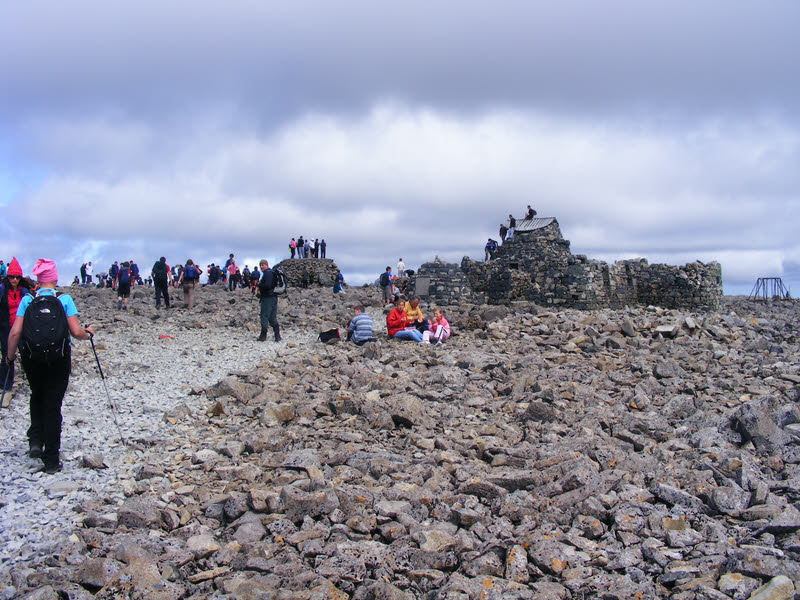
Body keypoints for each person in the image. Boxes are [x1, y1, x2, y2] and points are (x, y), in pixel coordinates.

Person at [5, 259, 95, 473]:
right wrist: (88, 332)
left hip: (32, 358)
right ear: (54, 278)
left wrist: (9, 358)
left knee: (37, 394)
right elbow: (75, 332)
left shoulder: (27, 300)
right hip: (58, 358)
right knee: (53, 404)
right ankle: (52, 460)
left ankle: (35, 441)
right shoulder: (64, 299)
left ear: (37, 279)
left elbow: (16, 332)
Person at [0, 258, 31, 392]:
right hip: (5, 327)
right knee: (7, 354)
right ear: (8, 277)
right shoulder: (2, 290)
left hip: (21, 327)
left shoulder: (24, 292)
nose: (14, 280)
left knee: (26, 353)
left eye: (17, 277)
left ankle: (32, 379)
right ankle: (5, 384)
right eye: (12, 277)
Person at [256, 260, 281, 342]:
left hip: (267, 298)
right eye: (260, 265)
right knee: (272, 317)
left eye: (263, 265)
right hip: (274, 297)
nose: (261, 267)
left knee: (264, 316)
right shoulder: (272, 273)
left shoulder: (267, 273)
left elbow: (267, 285)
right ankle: (277, 336)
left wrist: (259, 284)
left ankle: (263, 336)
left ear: (267, 265)